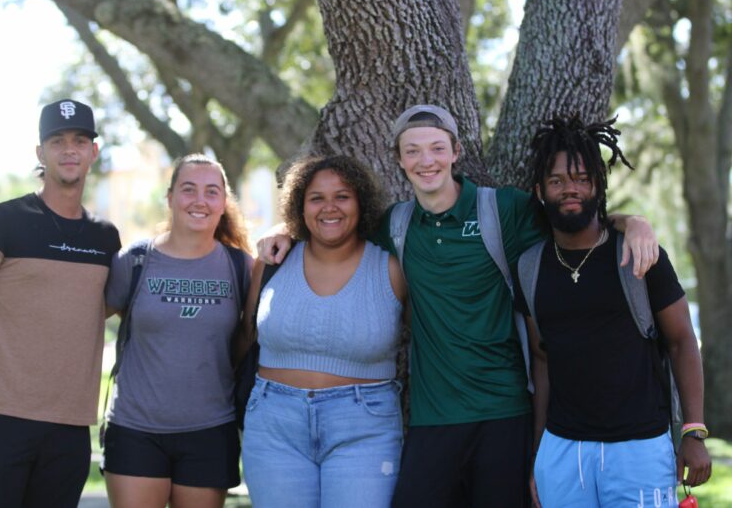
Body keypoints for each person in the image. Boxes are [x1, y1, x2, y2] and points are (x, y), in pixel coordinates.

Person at [258, 104, 659, 507]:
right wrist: (284, 230)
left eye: (436, 148)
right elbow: (334, 228)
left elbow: (574, 219)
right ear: (399, 160)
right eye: (412, 151)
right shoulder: (395, 225)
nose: (425, 160)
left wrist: (630, 222)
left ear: (456, 151)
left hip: (505, 411)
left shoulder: (503, 209)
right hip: (434, 416)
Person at [515, 114, 711, 507]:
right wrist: (539, 454)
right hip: (562, 451)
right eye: (557, 181)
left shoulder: (638, 254)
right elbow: (542, 360)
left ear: (597, 186)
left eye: (582, 179)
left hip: (639, 449)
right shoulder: (530, 266)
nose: (570, 189)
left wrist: (693, 431)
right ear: (539, 191)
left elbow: (682, 341)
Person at [0, 99, 121, 507]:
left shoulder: (106, 239)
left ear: (93, 151)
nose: (69, 149)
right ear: (41, 152)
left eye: (79, 140)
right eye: (57, 141)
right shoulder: (1, 222)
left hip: (70, 428)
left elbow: (107, 308)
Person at [241, 155, 407, 508]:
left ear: (361, 203)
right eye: (316, 198)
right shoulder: (272, 263)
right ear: (300, 208)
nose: (329, 207)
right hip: (274, 426)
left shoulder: (391, 269)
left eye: (342, 196)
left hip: (365, 427)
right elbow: (244, 336)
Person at [102, 154, 251, 508]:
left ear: (223, 203)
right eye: (188, 189)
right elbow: (82, 321)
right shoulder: (135, 261)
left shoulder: (240, 266)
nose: (200, 200)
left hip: (210, 430)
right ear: (170, 198)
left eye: (211, 192)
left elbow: (250, 336)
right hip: (135, 428)